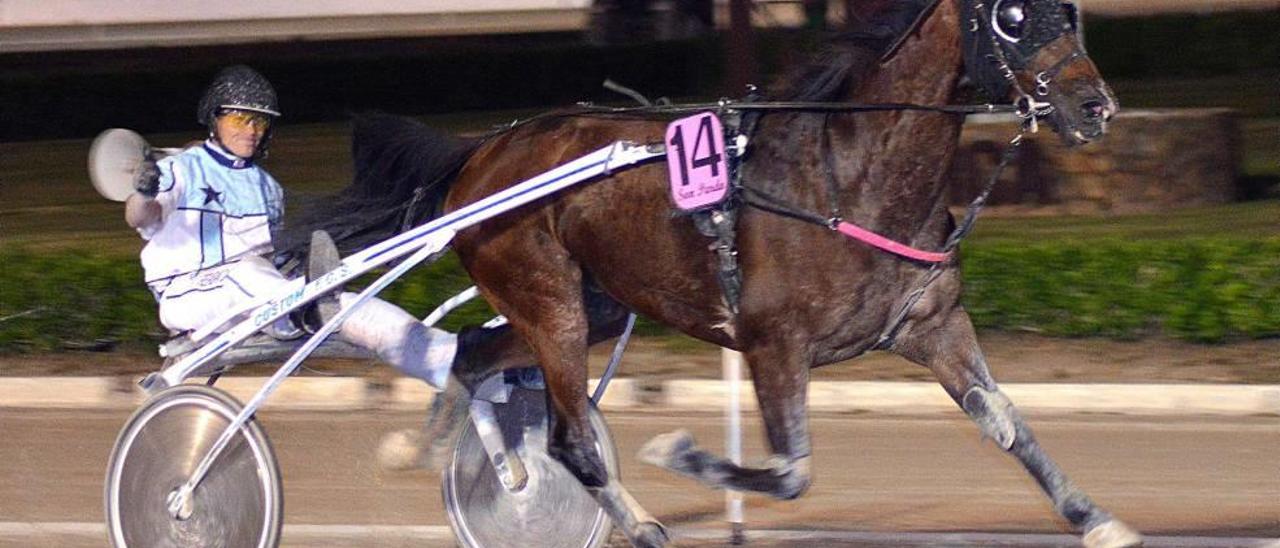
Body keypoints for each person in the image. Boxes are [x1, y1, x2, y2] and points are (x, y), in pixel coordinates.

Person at [125, 65, 453, 389]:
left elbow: (271, 261)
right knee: (249, 273)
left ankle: (443, 358)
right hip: (187, 294)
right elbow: (140, 218)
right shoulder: (178, 168)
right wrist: (142, 193)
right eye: (241, 119)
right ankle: (298, 312)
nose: (251, 130)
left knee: (349, 300)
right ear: (215, 118)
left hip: (253, 299)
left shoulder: (269, 188)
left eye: (260, 121)